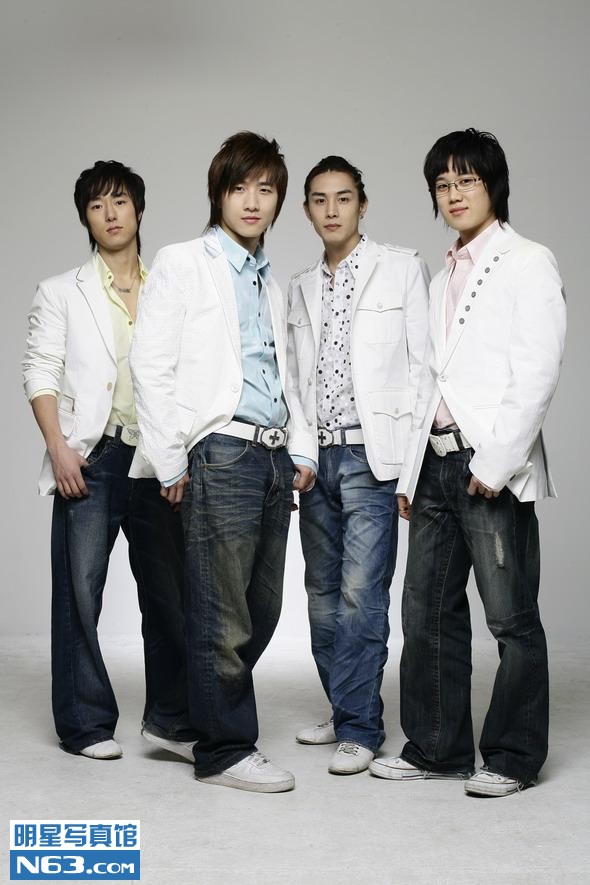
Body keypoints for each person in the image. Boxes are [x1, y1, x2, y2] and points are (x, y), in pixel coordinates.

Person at [369, 128, 566, 796]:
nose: (453, 194)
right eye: (442, 184)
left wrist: (499, 459)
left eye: (466, 180)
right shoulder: (442, 274)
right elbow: (428, 378)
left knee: (510, 618)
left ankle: (511, 757)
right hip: (433, 464)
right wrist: (409, 470)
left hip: (489, 467)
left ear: (493, 186)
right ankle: (436, 748)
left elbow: (537, 370)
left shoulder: (528, 261)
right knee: (426, 612)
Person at [129, 132, 317, 793]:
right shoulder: (184, 262)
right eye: (240, 187)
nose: (253, 201)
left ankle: (177, 717)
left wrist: (299, 446)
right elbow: (150, 362)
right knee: (223, 614)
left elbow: (282, 371)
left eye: (266, 189)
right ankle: (226, 749)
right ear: (219, 193)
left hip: (271, 457)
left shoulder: (267, 280)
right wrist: (170, 458)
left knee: (260, 608)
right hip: (220, 451)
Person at [23, 160, 197, 760]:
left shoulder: (169, 287)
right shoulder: (60, 291)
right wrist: (58, 447)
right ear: (86, 219)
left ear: (138, 210)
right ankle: (85, 725)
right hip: (91, 458)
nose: (110, 214)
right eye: (96, 206)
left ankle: (171, 720)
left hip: (155, 457)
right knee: (79, 593)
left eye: (120, 201)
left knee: (170, 595)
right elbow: (39, 372)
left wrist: (180, 454)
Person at [287, 156, 429, 774]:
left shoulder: (401, 268)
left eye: (343, 198)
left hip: (374, 458)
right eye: (320, 200)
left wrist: (412, 468)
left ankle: (360, 729)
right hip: (316, 458)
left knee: (360, 595)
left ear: (362, 204)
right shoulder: (299, 286)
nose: (332, 210)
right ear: (307, 210)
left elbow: (424, 370)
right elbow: (294, 380)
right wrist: (299, 452)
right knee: (321, 595)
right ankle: (346, 705)